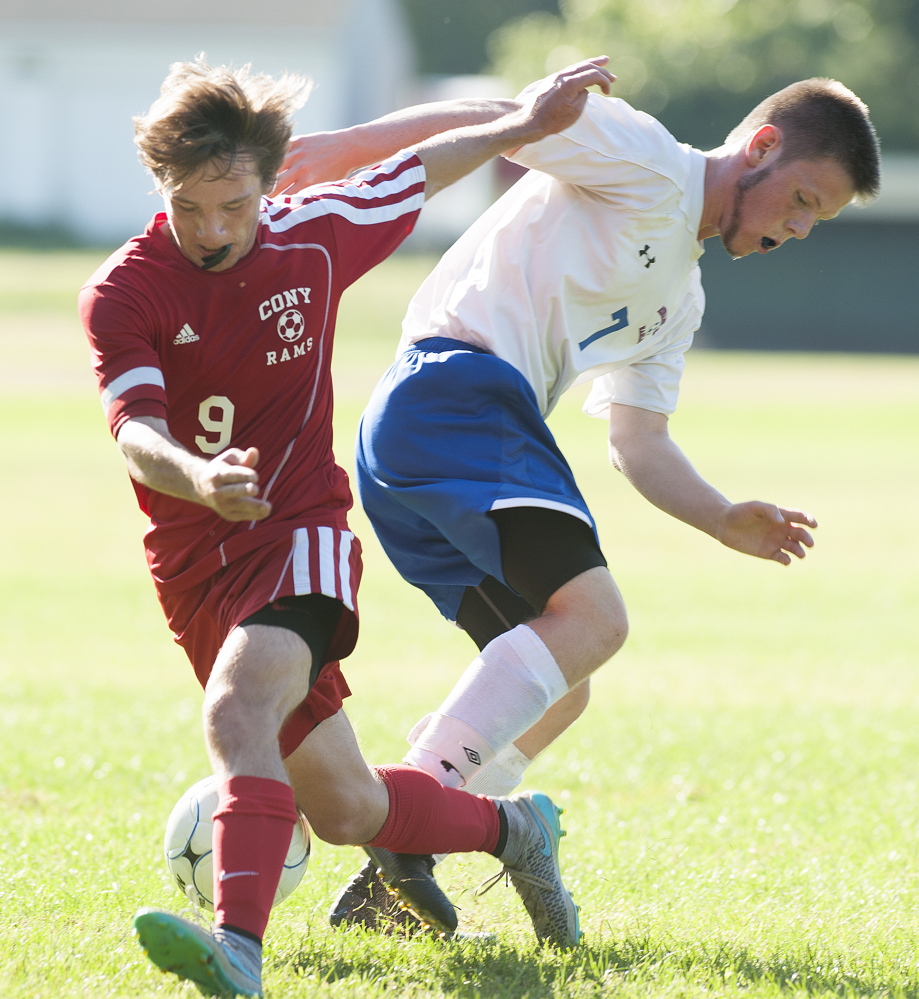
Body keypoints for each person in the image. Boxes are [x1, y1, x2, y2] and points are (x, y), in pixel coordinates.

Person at [279, 75, 880, 925]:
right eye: (801, 199)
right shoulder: (646, 160)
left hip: (431, 431)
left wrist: (717, 514)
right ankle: (405, 822)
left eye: (816, 220)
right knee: (595, 620)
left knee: (561, 685)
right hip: (455, 391)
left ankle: (400, 850)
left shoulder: (681, 297)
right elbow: (497, 118)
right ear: (761, 148)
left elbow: (637, 441)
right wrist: (348, 148)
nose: (796, 227)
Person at [78, 55, 618, 997]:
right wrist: (201, 477)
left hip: (298, 533)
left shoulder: (314, 237)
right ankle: (517, 829)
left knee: (237, 708)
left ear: (269, 180)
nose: (213, 231)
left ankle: (237, 950)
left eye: (236, 205)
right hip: (194, 566)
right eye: (190, 207)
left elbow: (417, 168)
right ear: (161, 186)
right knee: (348, 807)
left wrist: (524, 121)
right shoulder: (123, 293)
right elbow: (136, 433)